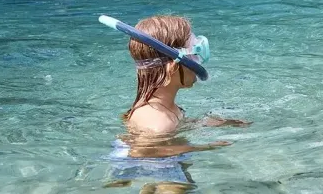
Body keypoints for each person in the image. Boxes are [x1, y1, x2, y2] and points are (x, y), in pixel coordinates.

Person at [103, 15, 250, 193]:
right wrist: (204, 147)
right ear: (173, 67)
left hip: (164, 161)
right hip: (159, 165)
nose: (198, 64)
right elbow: (142, 152)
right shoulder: (157, 121)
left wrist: (207, 123)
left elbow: (173, 130)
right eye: (195, 56)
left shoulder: (161, 108)